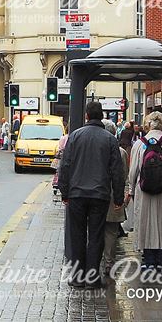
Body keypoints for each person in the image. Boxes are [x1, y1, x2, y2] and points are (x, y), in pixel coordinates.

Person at [57, 101, 125, 289]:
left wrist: (64, 191)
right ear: (101, 115)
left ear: (87, 115)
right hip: (100, 195)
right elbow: (117, 171)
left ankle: (77, 277)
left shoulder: (75, 136)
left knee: (77, 235)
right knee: (95, 236)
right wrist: (118, 198)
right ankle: (92, 278)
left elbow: (66, 165)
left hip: (77, 194)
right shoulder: (110, 139)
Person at [128, 110, 162, 271]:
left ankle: (149, 260)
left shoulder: (139, 143)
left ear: (147, 125)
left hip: (144, 189)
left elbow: (133, 171)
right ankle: (161, 259)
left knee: (146, 222)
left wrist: (131, 189)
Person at [101, 119, 130, 277]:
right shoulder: (121, 152)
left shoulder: (97, 148)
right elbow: (124, 175)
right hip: (114, 195)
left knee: (96, 228)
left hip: (97, 194)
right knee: (111, 231)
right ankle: (109, 262)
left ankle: (95, 259)